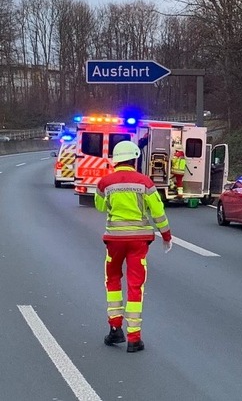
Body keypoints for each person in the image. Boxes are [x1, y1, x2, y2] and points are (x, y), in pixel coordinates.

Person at [94, 140, 172, 353]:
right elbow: (158, 211)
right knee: (135, 285)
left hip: (115, 241)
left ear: (116, 161)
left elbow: (100, 206)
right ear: (134, 159)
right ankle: (134, 338)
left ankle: (115, 328)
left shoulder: (105, 183)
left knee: (113, 281)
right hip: (139, 241)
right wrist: (166, 235)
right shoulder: (145, 182)